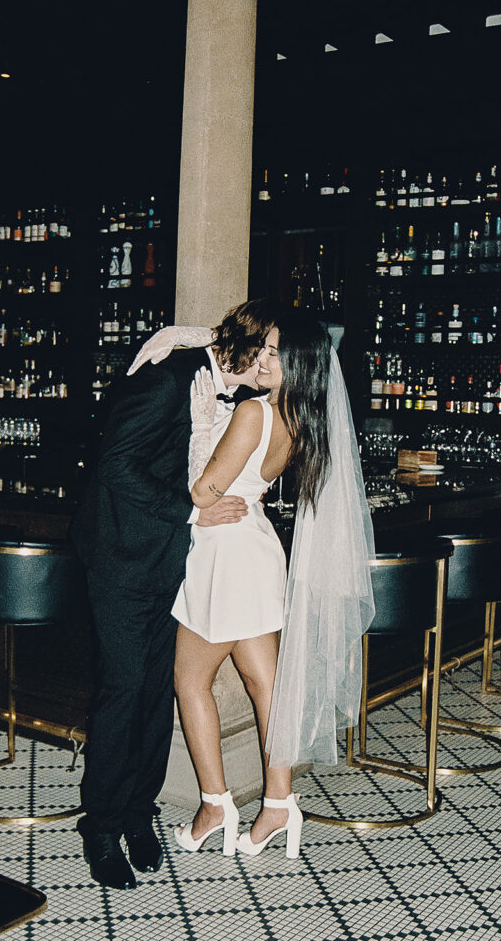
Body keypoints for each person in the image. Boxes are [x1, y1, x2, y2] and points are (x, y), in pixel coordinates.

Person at [140, 308, 375, 860]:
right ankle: (277, 803)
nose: (263, 361)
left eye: (275, 353)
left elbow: (203, 493)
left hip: (225, 552)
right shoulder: (301, 418)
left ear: (299, 363)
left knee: (190, 681)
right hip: (257, 547)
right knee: (268, 686)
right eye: (264, 349)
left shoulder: (252, 411)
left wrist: (202, 427)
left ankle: (215, 802)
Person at [70, 298, 276, 890]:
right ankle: (102, 825)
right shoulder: (168, 380)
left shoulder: (231, 390)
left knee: (159, 691)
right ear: (243, 346)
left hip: (173, 559)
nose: (271, 362)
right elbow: (116, 465)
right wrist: (190, 509)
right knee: (123, 688)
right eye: (267, 350)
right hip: (121, 554)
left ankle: (139, 811)